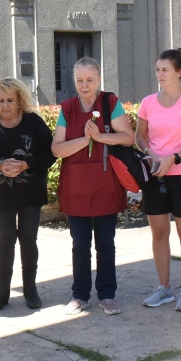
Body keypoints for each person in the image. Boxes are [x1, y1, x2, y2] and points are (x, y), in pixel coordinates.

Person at [51, 57, 135, 315]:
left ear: (99, 79)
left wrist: (99, 137)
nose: (84, 85)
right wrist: (84, 139)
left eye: (89, 80)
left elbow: (128, 138)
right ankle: (80, 295)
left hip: (105, 184)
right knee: (80, 244)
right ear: (73, 81)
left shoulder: (110, 103)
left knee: (106, 243)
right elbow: (57, 149)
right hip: (76, 186)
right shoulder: (67, 108)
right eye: (79, 80)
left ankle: (107, 294)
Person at [0, 78, 55, 311]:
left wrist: (25, 166)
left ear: (20, 100)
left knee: (29, 239)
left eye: (10, 100)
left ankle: (30, 289)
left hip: (31, 192)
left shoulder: (33, 122)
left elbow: (51, 154)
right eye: (1, 101)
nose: (5, 106)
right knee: (5, 240)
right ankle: (3, 291)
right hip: (1, 195)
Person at [136, 48, 181, 312]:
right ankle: (164, 289)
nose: (160, 74)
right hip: (155, 176)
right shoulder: (147, 103)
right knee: (158, 232)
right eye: (157, 69)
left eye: (165, 69)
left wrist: (174, 158)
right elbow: (140, 137)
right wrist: (149, 153)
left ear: (179, 72)